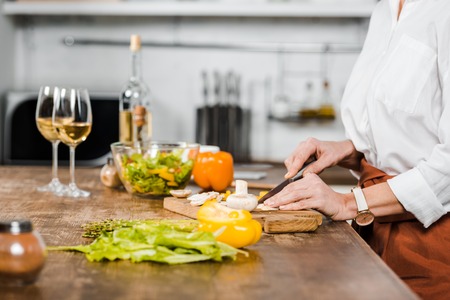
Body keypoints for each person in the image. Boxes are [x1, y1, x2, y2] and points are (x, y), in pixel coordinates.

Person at [263, 0, 450, 299]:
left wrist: (349, 203)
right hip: (373, 230)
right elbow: (400, 137)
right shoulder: (383, 11)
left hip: (432, 244)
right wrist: (346, 150)